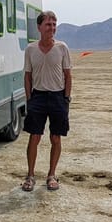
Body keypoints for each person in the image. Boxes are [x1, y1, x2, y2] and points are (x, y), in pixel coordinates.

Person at [21, 10, 72, 192]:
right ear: (39, 27)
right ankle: (30, 176)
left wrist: (66, 99)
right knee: (34, 137)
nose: (52, 28)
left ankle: (51, 175)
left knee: (55, 137)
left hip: (58, 97)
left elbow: (68, 75)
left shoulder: (62, 48)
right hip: (38, 97)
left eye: (54, 24)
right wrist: (29, 99)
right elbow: (27, 76)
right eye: (48, 24)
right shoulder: (31, 49)